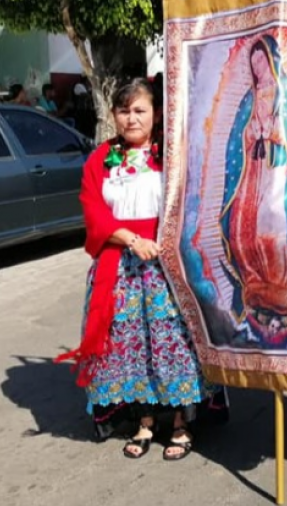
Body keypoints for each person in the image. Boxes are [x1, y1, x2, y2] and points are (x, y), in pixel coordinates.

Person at [56, 78, 219, 460]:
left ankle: (181, 422)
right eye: (124, 110)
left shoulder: (172, 156)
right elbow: (93, 211)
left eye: (140, 110)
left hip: (167, 264)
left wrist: (168, 241)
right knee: (128, 347)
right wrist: (131, 240)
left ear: (157, 113)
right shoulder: (101, 159)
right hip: (120, 266)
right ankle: (144, 421)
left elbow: (192, 201)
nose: (131, 119)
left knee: (175, 343)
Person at [219, 35, 287, 339]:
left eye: (261, 59)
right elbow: (235, 141)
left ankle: (286, 289)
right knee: (241, 228)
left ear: (273, 59)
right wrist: (251, 133)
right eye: (252, 62)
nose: (257, 66)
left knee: (275, 223)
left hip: (281, 172)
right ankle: (254, 286)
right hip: (251, 172)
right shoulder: (249, 99)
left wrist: (278, 132)